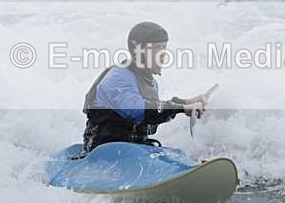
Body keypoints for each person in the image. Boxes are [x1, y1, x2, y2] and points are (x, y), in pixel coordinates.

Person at [80, 21, 209, 156]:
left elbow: (153, 115)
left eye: (164, 47)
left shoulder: (150, 82)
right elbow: (138, 110)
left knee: (178, 153)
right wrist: (180, 108)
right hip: (103, 154)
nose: (163, 53)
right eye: (156, 48)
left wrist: (185, 102)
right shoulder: (118, 77)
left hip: (133, 153)